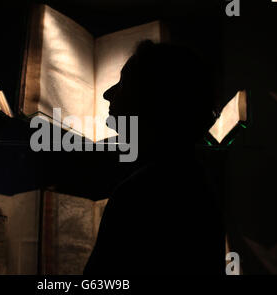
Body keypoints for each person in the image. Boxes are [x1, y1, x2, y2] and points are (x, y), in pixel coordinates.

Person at [84, 40, 225, 274]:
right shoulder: (194, 181)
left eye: (122, 84)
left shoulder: (139, 191)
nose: (108, 94)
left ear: (153, 101)